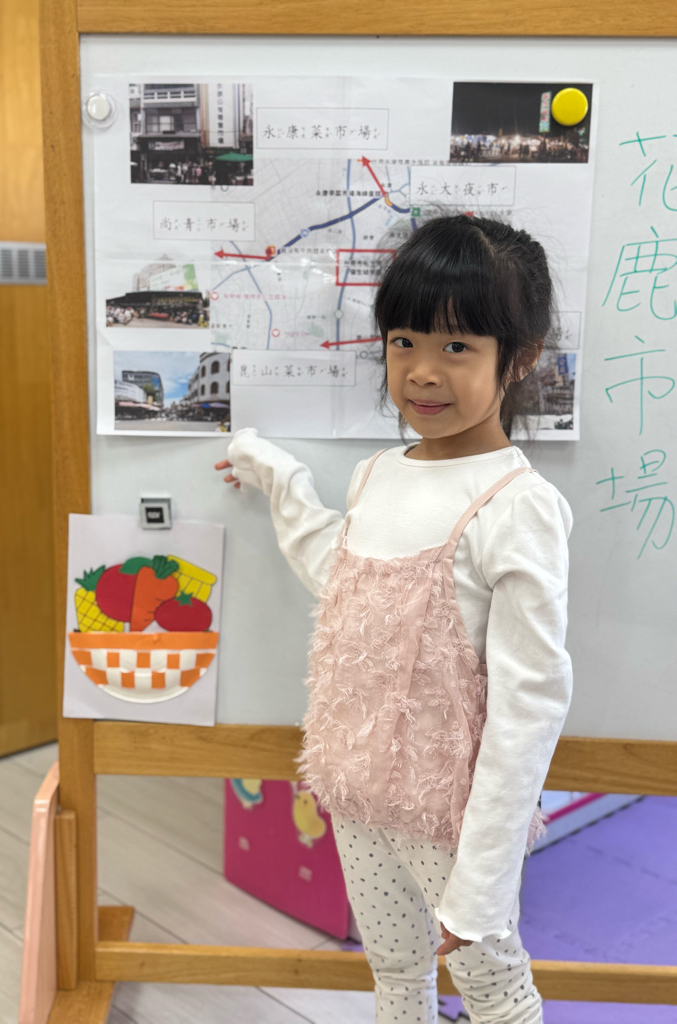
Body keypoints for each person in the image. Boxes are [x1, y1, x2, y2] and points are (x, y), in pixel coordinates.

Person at [215, 214, 572, 1024]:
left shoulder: (517, 506)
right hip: (355, 790)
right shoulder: (378, 473)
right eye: (404, 340)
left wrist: (483, 879)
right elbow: (345, 578)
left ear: (519, 359)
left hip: (450, 819)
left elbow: (531, 703)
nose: (422, 371)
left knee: (494, 992)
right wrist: (278, 478)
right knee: (395, 973)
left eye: (457, 347)